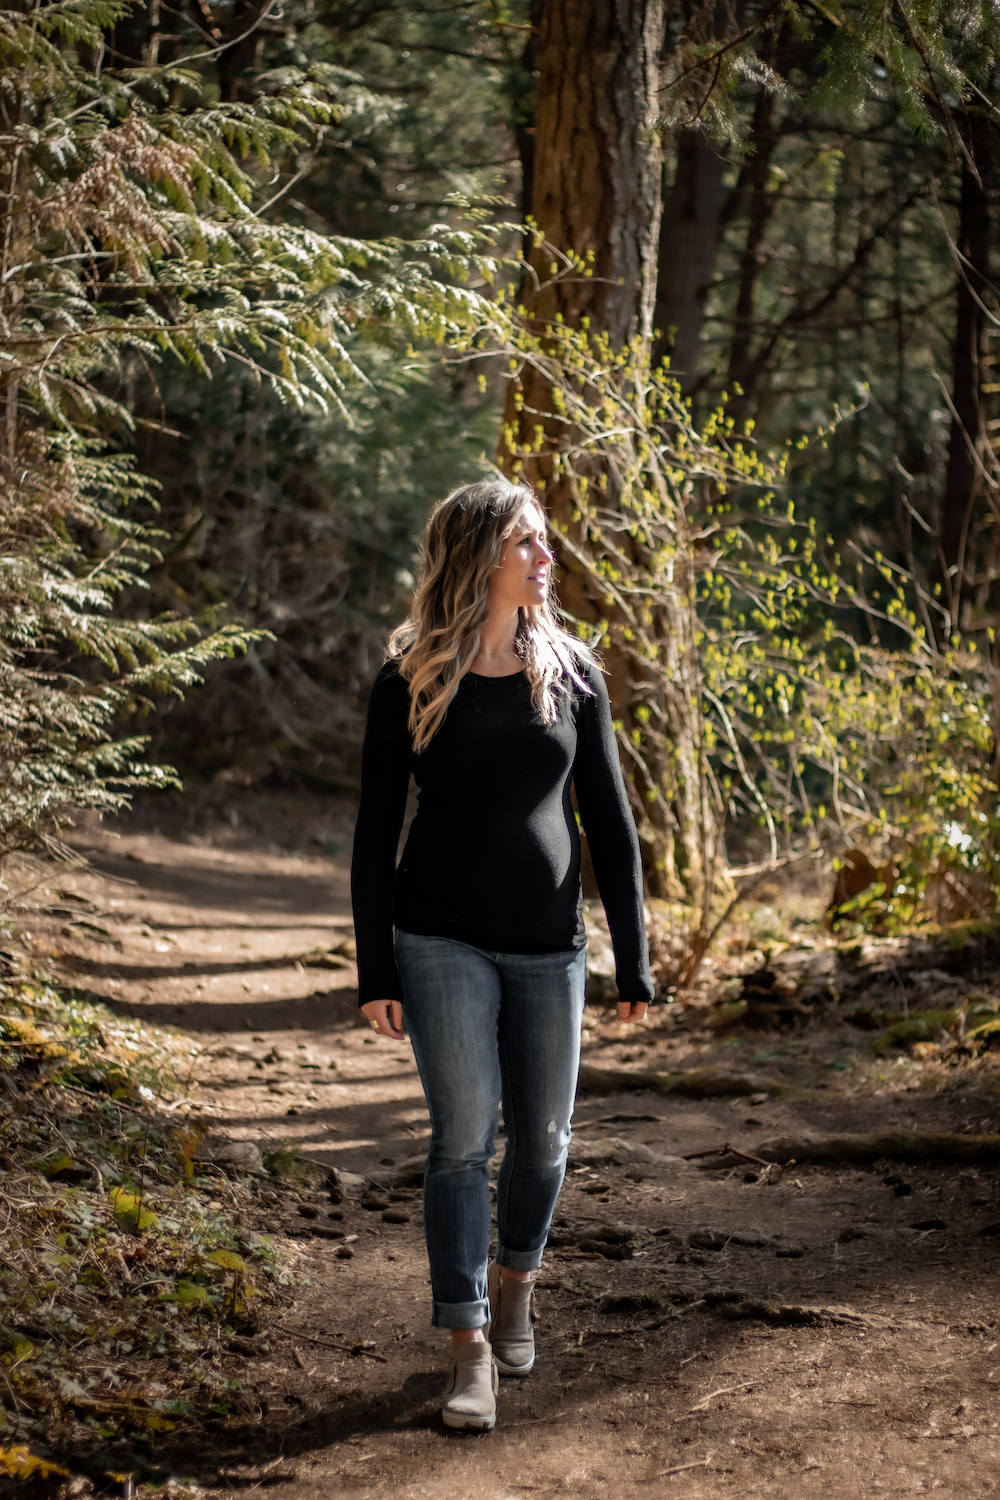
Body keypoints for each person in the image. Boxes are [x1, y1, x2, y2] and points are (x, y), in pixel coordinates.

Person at [351, 478, 653, 1432]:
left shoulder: (573, 671)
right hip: (437, 936)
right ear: (480, 553)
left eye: (544, 542)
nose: (546, 556)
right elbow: (371, 833)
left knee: (548, 1140)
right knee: (462, 1138)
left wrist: (634, 958)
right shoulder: (409, 677)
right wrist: (375, 967)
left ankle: (518, 1282)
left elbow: (609, 820)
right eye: (528, 541)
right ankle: (468, 1344)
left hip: (550, 947)